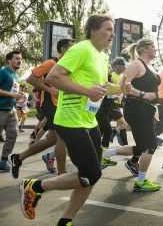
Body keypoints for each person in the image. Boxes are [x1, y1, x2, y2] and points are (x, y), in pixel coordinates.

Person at [20, 15, 112, 226]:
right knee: (90, 174)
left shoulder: (101, 56)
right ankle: (35, 187)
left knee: (91, 176)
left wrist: (117, 89)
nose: (112, 35)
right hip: (70, 120)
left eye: (112, 30)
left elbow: (98, 85)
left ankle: (65, 221)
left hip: (89, 120)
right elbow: (53, 77)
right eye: (108, 29)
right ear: (93, 30)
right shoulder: (81, 49)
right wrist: (87, 91)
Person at [103, 39, 162, 192]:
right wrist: (143, 94)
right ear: (144, 49)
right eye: (153, 47)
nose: (155, 50)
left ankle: (106, 153)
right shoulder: (136, 64)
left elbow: (149, 90)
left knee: (143, 147)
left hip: (146, 109)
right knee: (150, 146)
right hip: (136, 109)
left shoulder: (149, 66)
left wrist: (156, 101)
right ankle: (141, 182)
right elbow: (124, 86)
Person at [10, 38, 74, 178]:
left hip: (61, 105)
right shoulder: (51, 63)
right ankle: (62, 173)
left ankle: (19, 157)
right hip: (50, 105)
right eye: (71, 47)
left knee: (51, 140)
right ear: (62, 49)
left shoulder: (67, 66)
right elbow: (30, 79)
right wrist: (50, 90)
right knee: (62, 137)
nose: (74, 50)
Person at [97, 57, 128, 150]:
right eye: (123, 66)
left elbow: (121, 91)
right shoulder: (110, 75)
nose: (124, 68)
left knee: (103, 130)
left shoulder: (122, 76)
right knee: (107, 129)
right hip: (108, 105)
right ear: (117, 66)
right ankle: (101, 150)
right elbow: (114, 90)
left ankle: (101, 150)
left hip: (113, 105)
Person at [0, 50, 23, 171]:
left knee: (13, 135)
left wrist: (19, 95)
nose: (19, 61)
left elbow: (12, 92)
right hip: (1, 110)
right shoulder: (3, 72)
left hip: (11, 110)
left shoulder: (16, 75)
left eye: (20, 59)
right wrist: (11, 95)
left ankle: (3, 160)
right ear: (9, 60)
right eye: (17, 58)